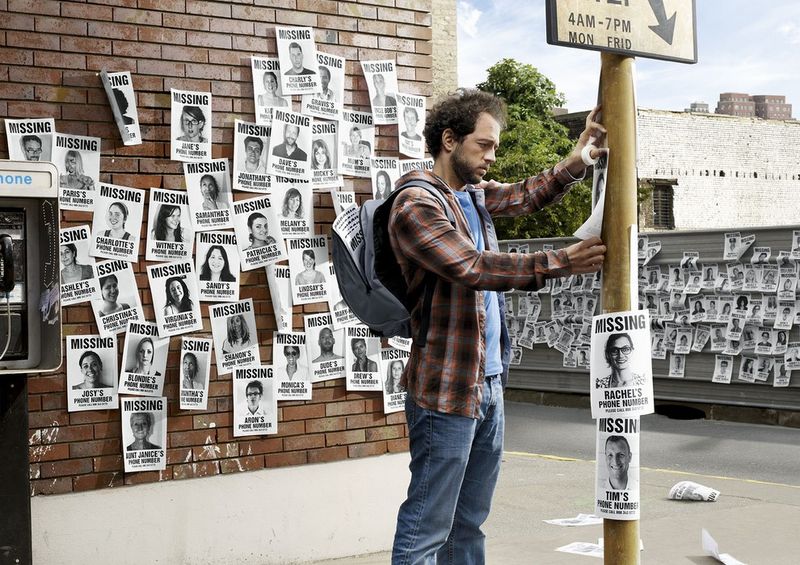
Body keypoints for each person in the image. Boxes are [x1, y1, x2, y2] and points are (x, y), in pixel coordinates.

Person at [386, 90, 606, 564]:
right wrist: (560, 261)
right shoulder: (414, 204)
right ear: (449, 140)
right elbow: (472, 266)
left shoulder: (469, 194)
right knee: (428, 526)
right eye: (483, 145)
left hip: (487, 384)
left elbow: (526, 194)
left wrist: (578, 158)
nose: (492, 155)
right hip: (444, 389)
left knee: (468, 523)